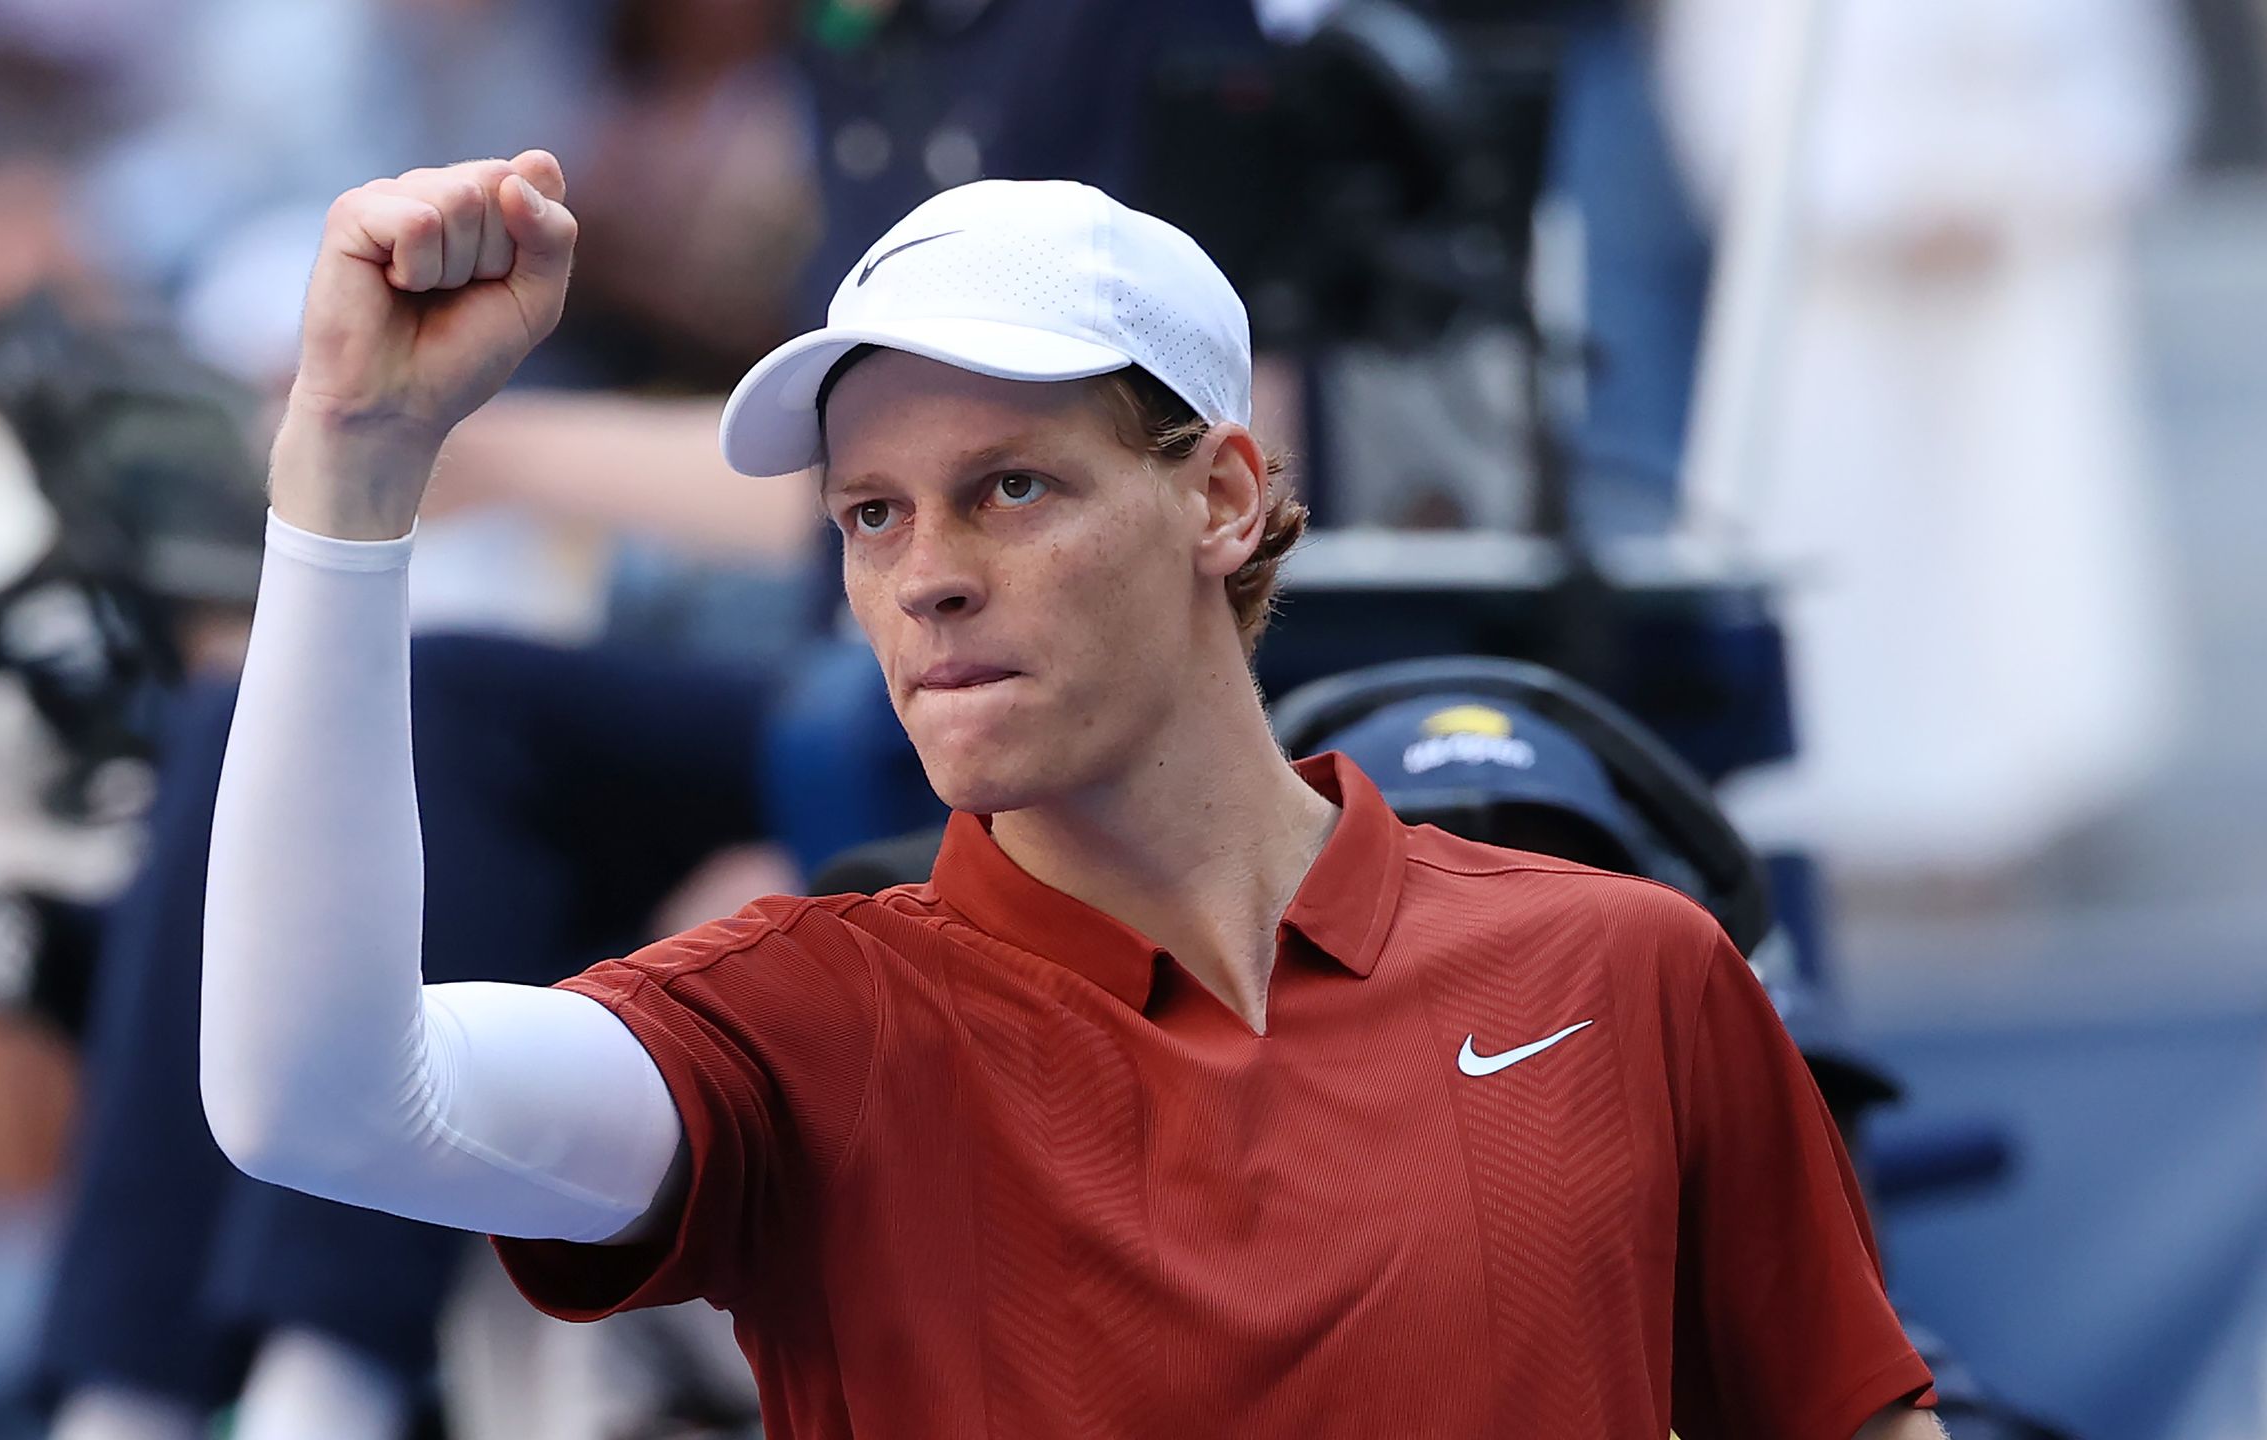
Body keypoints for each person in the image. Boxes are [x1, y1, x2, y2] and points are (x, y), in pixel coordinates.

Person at [201, 149, 1946, 1438]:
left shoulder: (1630, 968)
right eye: (871, 514)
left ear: (1224, 498)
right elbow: (322, 1105)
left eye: (1012, 488)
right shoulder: (813, 1021)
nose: (926, 577)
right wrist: (353, 465)